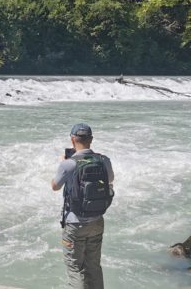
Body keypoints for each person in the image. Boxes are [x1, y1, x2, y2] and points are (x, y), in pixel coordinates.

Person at [51, 123, 114, 289]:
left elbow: (55, 186)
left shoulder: (68, 164)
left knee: (75, 268)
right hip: (97, 221)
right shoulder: (104, 160)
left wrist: (62, 163)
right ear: (91, 140)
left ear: (72, 140)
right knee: (93, 266)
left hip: (75, 223)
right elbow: (110, 180)